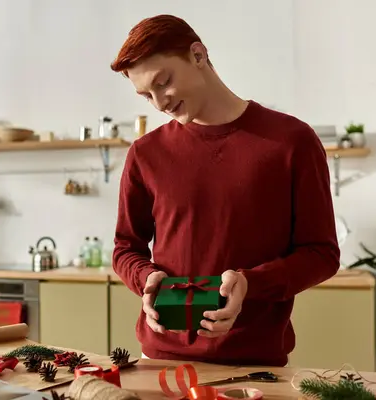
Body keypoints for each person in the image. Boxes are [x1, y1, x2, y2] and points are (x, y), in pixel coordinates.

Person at [110, 14, 340, 367]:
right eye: (146, 95)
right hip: (158, 360)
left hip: (256, 364)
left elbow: (321, 253)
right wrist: (146, 278)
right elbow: (126, 248)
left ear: (198, 55)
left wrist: (251, 284)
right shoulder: (145, 153)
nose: (160, 103)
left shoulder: (292, 142)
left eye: (164, 81)